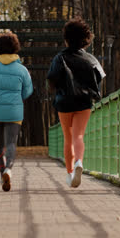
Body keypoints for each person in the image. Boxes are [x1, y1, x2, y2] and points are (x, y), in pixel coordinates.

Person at [46, 17, 105, 188]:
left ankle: (70, 172)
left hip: (64, 101)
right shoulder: (91, 59)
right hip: (84, 101)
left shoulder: (59, 57)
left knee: (68, 137)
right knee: (79, 135)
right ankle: (79, 162)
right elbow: (99, 78)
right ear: (86, 39)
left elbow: (51, 78)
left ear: (66, 38)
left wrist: (56, 89)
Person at [0, 31, 33, 192]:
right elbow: (28, 91)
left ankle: (2, 172)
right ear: (15, 47)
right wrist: (17, 98)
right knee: (11, 142)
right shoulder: (22, 69)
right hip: (14, 112)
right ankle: (9, 169)